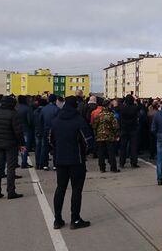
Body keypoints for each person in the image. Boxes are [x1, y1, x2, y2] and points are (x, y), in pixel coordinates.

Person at [51, 96, 94, 230]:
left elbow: (50, 139)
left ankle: (57, 220)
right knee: (76, 190)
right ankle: (75, 219)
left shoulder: (56, 120)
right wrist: (84, 153)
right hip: (76, 160)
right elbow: (88, 141)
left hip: (60, 160)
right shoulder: (78, 120)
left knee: (60, 189)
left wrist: (57, 151)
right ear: (75, 106)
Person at [0, 96, 25, 199]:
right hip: (11, 144)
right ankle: (11, 191)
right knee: (11, 168)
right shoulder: (13, 114)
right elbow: (18, 131)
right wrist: (22, 144)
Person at [92, 99, 120, 173]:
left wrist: (96, 135)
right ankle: (113, 168)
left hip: (100, 136)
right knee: (111, 153)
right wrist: (116, 135)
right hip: (109, 136)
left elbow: (94, 126)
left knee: (101, 153)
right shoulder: (111, 115)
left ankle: (102, 168)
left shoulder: (99, 115)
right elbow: (115, 126)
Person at [119, 95, 140, 168]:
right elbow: (140, 106)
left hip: (124, 129)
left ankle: (122, 162)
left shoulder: (122, 108)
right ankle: (133, 162)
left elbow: (119, 104)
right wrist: (137, 100)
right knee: (133, 147)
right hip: (133, 129)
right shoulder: (135, 108)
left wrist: (123, 99)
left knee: (123, 147)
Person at [40, 94, 60, 170]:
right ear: (55, 100)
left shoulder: (43, 109)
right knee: (55, 148)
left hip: (45, 129)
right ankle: (55, 164)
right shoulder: (57, 109)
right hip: (54, 130)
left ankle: (45, 164)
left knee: (45, 148)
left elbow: (40, 120)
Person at [16, 95, 34, 168]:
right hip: (25, 130)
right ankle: (24, 162)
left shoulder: (15, 108)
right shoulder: (27, 108)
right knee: (24, 147)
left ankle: (15, 162)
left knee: (17, 147)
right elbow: (30, 120)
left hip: (17, 129)